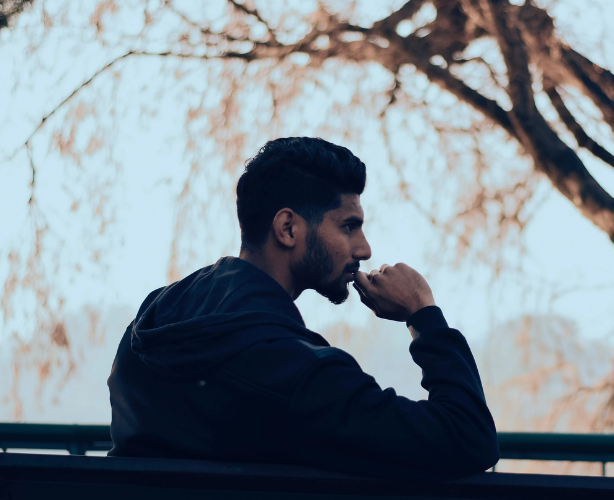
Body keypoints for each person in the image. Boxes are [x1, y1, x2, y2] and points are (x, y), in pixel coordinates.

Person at [107, 137, 499, 479]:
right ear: (288, 229)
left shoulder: (151, 321)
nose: (364, 249)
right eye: (349, 226)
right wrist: (423, 314)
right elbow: (467, 437)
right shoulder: (299, 377)